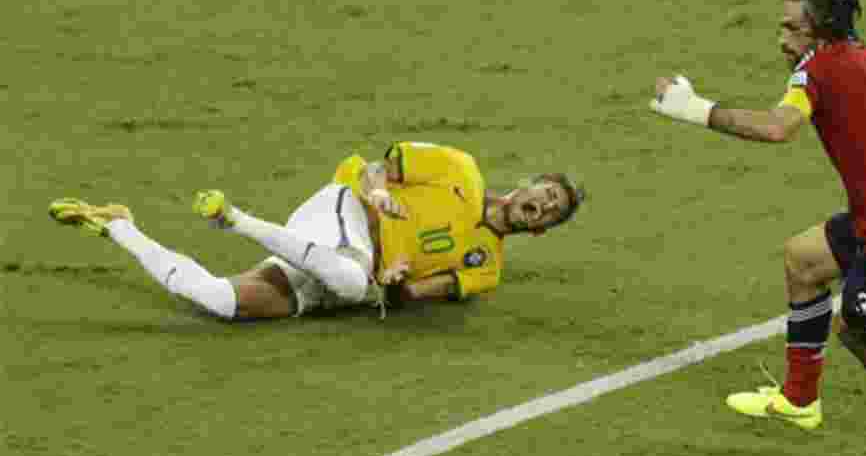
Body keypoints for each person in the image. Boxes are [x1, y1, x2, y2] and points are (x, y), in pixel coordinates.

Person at [648, 0, 866, 456]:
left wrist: (695, 109)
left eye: (791, 29)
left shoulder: (818, 69)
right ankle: (800, 400)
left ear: (820, 29)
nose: (783, 40)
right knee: (803, 260)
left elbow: (780, 128)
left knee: (862, 336)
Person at [49, 141, 584, 320]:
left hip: (341, 267)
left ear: (542, 230)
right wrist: (376, 193)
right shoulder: (459, 170)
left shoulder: (484, 269)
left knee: (214, 300)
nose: (544, 205)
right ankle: (232, 219)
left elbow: (409, 296)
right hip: (342, 211)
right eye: (547, 193)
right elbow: (376, 165)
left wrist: (395, 282)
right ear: (526, 185)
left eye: (553, 211)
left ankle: (118, 225)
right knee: (352, 280)